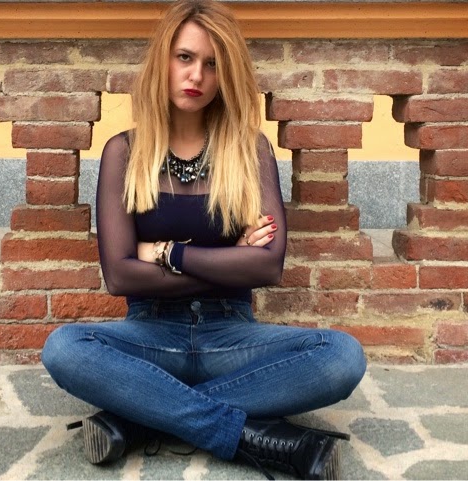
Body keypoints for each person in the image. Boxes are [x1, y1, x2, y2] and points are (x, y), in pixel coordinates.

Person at [42, 1, 366, 479]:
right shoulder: (125, 152)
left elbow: (268, 267)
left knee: (342, 357)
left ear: (225, 75)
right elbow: (120, 276)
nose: (197, 75)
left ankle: (138, 420)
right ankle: (248, 436)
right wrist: (230, 259)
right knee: (64, 348)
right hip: (150, 335)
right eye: (185, 57)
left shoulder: (250, 150)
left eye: (212, 64)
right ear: (163, 61)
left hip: (232, 336)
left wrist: (168, 254)